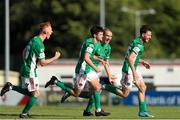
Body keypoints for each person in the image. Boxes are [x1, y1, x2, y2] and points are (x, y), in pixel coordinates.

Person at [45, 25, 110, 116]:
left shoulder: (96, 43)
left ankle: (98, 110)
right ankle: (55, 81)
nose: (102, 36)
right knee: (76, 93)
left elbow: (91, 56)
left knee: (97, 88)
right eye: (101, 34)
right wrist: (95, 67)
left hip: (88, 70)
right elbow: (86, 58)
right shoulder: (90, 44)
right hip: (82, 70)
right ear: (95, 35)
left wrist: (99, 60)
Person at [0, 21, 61, 118]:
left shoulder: (34, 39)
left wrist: (26, 62)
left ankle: (11, 87)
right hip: (30, 71)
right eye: (50, 30)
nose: (52, 32)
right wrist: (55, 57)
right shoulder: (39, 44)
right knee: (36, 94)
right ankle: (24, 113)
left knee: (31, 92)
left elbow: (24, 51)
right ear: (45, 31)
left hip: (26, 68)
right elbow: (43, 63)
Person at [101, 25, 154, 117]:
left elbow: (132, 57)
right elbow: (130, 59)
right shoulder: (138, 45)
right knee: (125, 94)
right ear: (143, 34)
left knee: (143, 87)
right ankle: (104, 86)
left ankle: (143, 111)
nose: (150, 37)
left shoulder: (136, 41)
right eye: (149, 35)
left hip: (133, 67)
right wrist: (134, 73)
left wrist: (142, 61)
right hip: (129, 69)